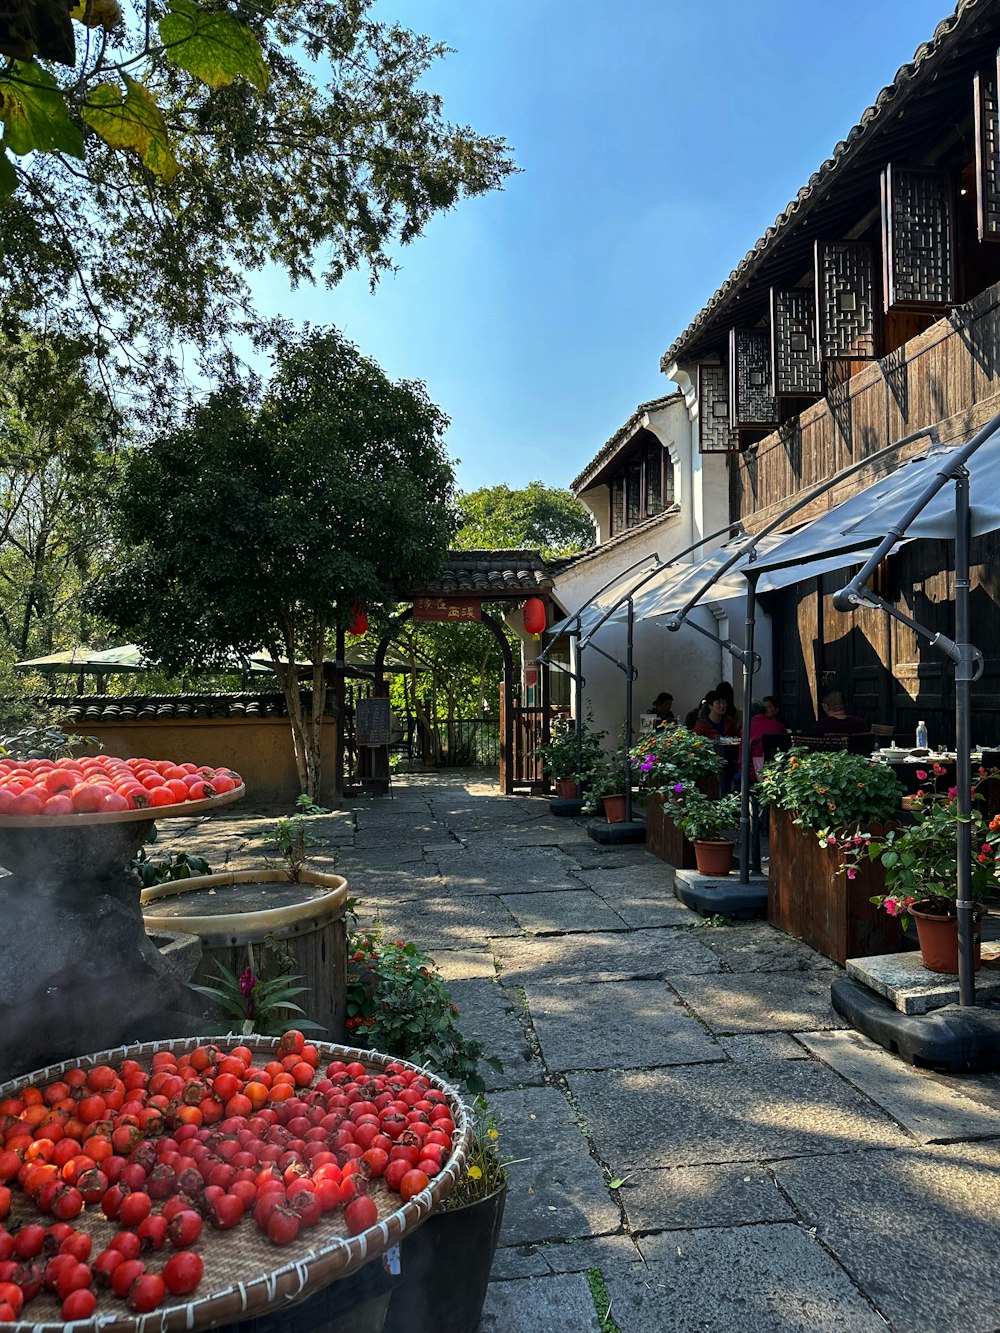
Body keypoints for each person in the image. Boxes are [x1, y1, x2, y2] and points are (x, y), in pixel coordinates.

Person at [739, 699, 788, 776]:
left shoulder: (747, 729)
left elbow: (742, 759)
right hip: (777, 770)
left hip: (754, 773)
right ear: (765, 711)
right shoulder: (780, 726)